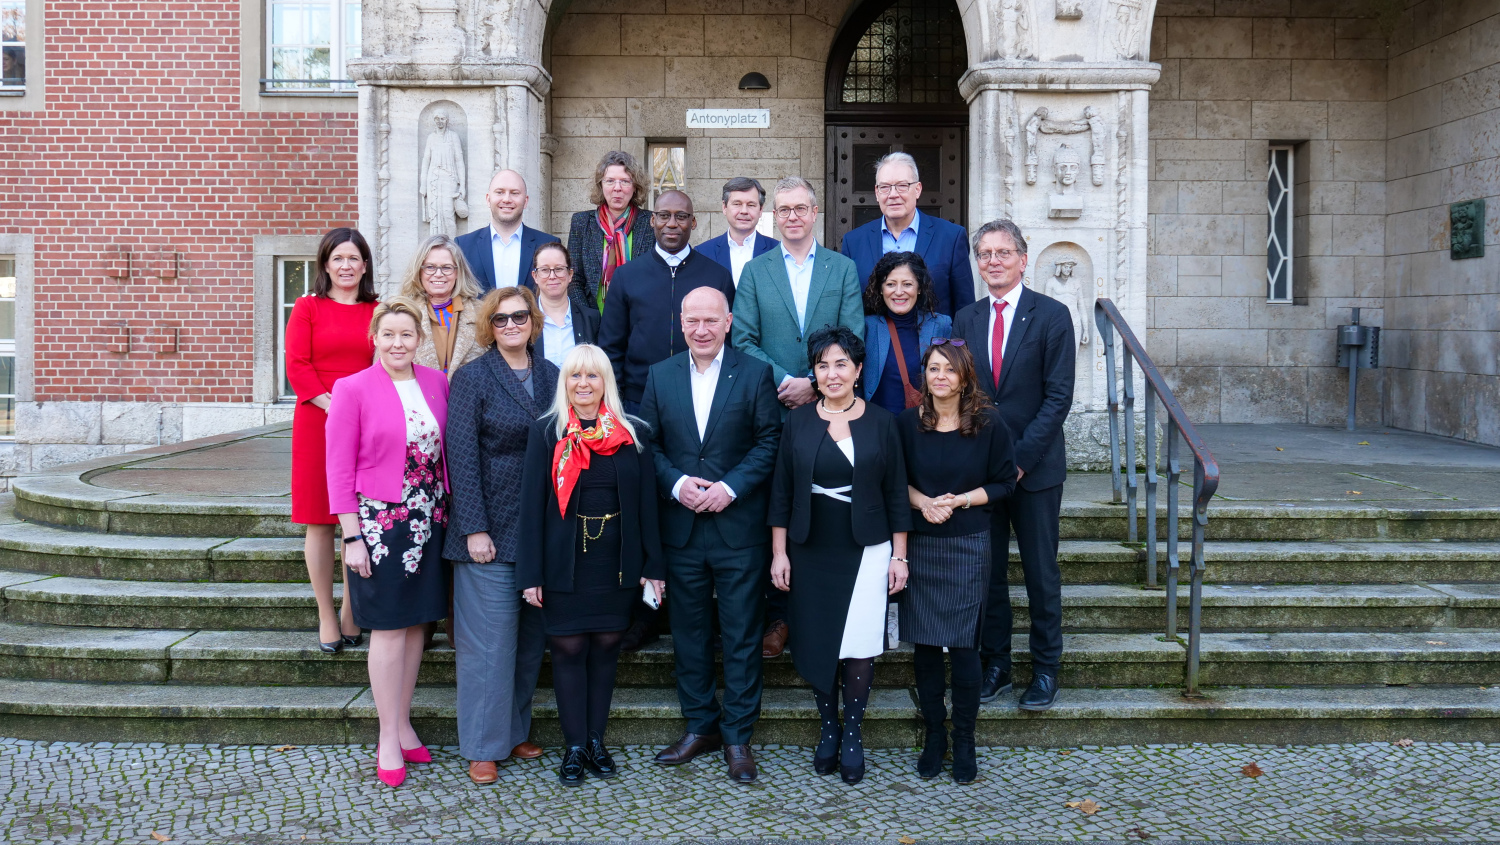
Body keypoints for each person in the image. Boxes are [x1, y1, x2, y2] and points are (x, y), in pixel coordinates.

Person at [637, 287, 782, 784]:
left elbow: (769, 441)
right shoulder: (660, 375)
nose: (701, 329)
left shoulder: (755, 373)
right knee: (690, 635)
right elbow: (648, 446)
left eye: (710, 321)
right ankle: (701, 726)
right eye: (692, 320)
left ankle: (738, 735)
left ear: (728, 323)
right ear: (681, 323)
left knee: (742, 634)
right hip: (680, 528)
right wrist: (676, 484)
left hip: (737, 527)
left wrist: (730, 487)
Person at [516, 344, 666, 786]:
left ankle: (596, 740)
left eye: (593, 376)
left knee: (605, 648)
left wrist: (653, 566)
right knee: (567, 649)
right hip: (563, 562)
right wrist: (530, 574)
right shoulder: (547, 433)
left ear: (606, 382)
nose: (583, 384)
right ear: (565, 383)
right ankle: (575, 745)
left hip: (615, 563)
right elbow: (530, 509)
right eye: (575, 376)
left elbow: (647, 508)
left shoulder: (632, 433)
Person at [768, 325, 910, 785]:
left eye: (841, 364)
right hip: (809, 547)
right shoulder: (797, 421)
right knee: (818, 639)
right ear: (814, 372)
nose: (832, 373)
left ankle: (852, 732)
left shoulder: (883, 422)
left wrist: (899, 556)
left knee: (859, 640)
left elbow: (896, 496)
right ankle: (827, 728)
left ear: (858, 369)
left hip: (867, 546)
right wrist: (778, 553)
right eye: (823, 365)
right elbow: (781, 494)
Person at [732, 176, 864, 659]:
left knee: (825, 512)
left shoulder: (843, 268)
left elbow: (852, 334)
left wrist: (815, 380)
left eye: (800, 208)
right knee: (778, 509)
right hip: (772, 410)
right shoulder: (755, 271)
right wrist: (786, 381)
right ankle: (777, 618)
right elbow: (742, 338)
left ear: (814, 213)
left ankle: (820, 614)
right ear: (775, 217)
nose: (791, 216)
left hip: (830, 409)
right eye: (783, 209)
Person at [326, 298, 451, 788]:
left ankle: (403, 723)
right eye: (389, 334)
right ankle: (385, 736)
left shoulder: (437, 382)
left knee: (419, 626)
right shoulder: (352, 388)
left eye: (407, 334)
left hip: (429, 519)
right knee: (390, 629)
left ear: (418, 339)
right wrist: (352, 536)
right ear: (374, 338)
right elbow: (337, 469)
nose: (398, 343)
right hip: (380, 524)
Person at [952, 219, 1075, 712]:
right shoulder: (966, 319)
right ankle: (996, 664)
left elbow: (1058, 397)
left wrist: (1019, 461)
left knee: (1041, 573)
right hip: (983, 474)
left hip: (1036, 471)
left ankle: (1045, 669)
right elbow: (960, 392)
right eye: (985, 254)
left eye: (1004, 252)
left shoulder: (1052, 316)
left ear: (1024, 259)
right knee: (989, 575)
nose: (994, 261)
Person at [444, 286, 559, 785]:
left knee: (529, 643)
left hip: (542, 529)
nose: (512, 326)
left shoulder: (555, 375)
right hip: (489, 530)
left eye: (520, 317)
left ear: (534, 321)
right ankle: (482, 746)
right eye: (501, 320)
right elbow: (461, 456)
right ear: (488, 327)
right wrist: (474, 528)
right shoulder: (473, 377)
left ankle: (512, 731)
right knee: (489, 646)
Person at [897, 340, 1016, 784]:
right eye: (932, 368)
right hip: (923, 543)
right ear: (923, 375)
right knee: (927, 648)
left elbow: (1005, 483)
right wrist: (925, 502)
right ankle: (934, 737)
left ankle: (964, 739)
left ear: (965, 376)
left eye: (949, 369)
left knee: (965, 648)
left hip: (968, 542)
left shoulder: (989, 424)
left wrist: (961, 500)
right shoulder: (906, 424)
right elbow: (896, 481)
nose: (940, 376)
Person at [285, 227, 379, 653]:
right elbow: (297, 366)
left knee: (356, 518)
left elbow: (383, 366)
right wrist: (334, 406)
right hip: (316, 422)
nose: (346, 266)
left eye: (354, 259)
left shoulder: (377, 311)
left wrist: (355, 412)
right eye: (338, 258)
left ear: (365, 266)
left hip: (364, 424)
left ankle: (351, 610)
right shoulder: (307, 307)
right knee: (320, 521)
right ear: (325, 264)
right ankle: (326, 612)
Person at [599, 189, 735, 413]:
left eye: (681, 216)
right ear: (653, 220)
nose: (672, 223)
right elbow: (611, 346)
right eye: (664, 215)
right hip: (638, 399)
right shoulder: (626, 276)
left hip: (702, 396)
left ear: (693, 223)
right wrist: (616, 401)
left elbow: (728, 343)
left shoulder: (717, 276)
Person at [839, 152, 975, 318]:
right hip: (873, 344)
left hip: (933, 342)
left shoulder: (951, 237)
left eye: (902, 186)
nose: (893, 194)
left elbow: (965, 310)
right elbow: (847, 310)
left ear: (917, 189)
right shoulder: (854, 242)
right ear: (876, 192)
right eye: (885, 187)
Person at [862, 252, 953, 416]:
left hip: (924, 428)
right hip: (879, 428)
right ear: (881, 289)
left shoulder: (942, 325)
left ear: (919, 288)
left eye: (907, 284)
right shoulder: (867, 327)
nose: (898, 292)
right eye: (890, 284)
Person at [567, 150, 656, 313]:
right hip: (593, 318)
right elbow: (574, 279)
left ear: (635, 187)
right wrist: (589, 317)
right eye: (610, 181)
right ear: (601, 185)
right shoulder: (581, 222)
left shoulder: (651, 223)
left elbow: (656, 278)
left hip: (639, 321)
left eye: (625, 181)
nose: (617, 188)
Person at [455, 169, 561, 293]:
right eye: (499, 192)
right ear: (488, 199)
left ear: (525, 201)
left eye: (514, 193)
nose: (506, 199)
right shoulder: (463, 246)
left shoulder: (548, 244)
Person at [401, 234, 485, 378]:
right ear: (419, 271)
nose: (438, 274)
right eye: (430, 267)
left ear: (458, 272)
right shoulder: (401, 313)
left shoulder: (482, 312)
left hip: (470, 399)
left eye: (446, 268)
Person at [697, 177, 779, 287]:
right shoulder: (703, 253)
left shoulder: (777, 250)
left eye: (751, 205)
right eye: (737, 204)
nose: (744, 211)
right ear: (724, 207)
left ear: (760, 210)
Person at [530, 242, 600, 368]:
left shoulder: (591, 319)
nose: (552, 276)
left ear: (570, 274)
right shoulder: (524, 320)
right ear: (535, 276)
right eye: (545, 270)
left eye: (559, 269)